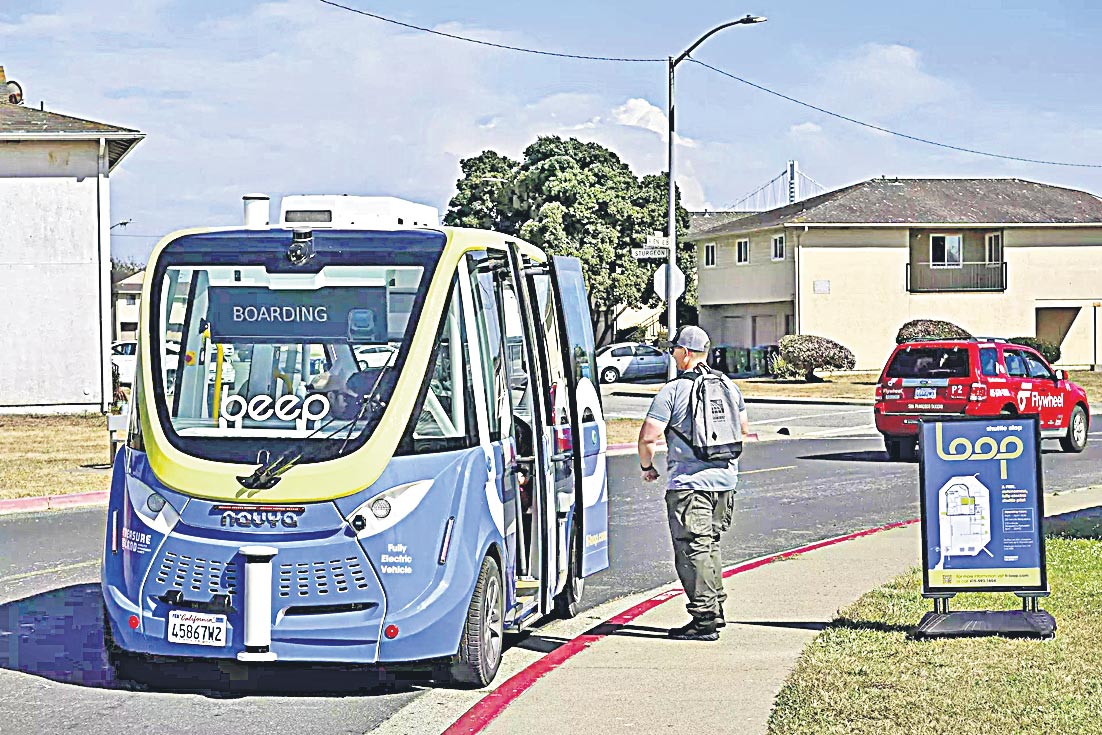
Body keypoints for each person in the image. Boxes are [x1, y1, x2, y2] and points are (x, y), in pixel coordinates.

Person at [637, 325, 749, 642]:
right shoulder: (729, 386)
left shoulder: (672, 392)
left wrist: (647, 466)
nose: (672, 354)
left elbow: (648, 436)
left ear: (685, 353)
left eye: (675, 349)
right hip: (725, 481)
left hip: (690, 483)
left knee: (691, 551)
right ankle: (716, 610)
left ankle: (704, 620)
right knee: (709, 545)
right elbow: (743, 429)